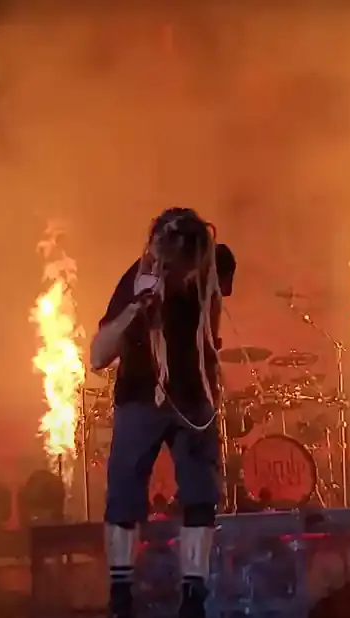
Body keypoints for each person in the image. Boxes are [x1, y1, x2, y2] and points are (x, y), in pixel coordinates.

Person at [90, 208, 235, 618]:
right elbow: (98, 356)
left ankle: (194, 596)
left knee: (201, 495)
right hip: (140, 395)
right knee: (124, 493)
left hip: (192, 398)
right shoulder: (136, 281)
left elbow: (220, 269)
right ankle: (121, 595)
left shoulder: (210, 268)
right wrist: (138, 309)